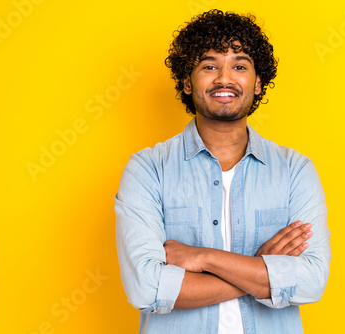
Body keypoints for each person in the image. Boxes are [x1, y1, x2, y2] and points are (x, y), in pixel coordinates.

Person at [114, 9, 331, 334]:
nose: (224, 79)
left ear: (258, 83)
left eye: (240, 66)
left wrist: (203, 258)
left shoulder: (295, 171)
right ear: (187, 81)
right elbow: (147, 288)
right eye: (210, 66)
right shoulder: (148, 170)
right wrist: (260, 270)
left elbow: (312, 281)